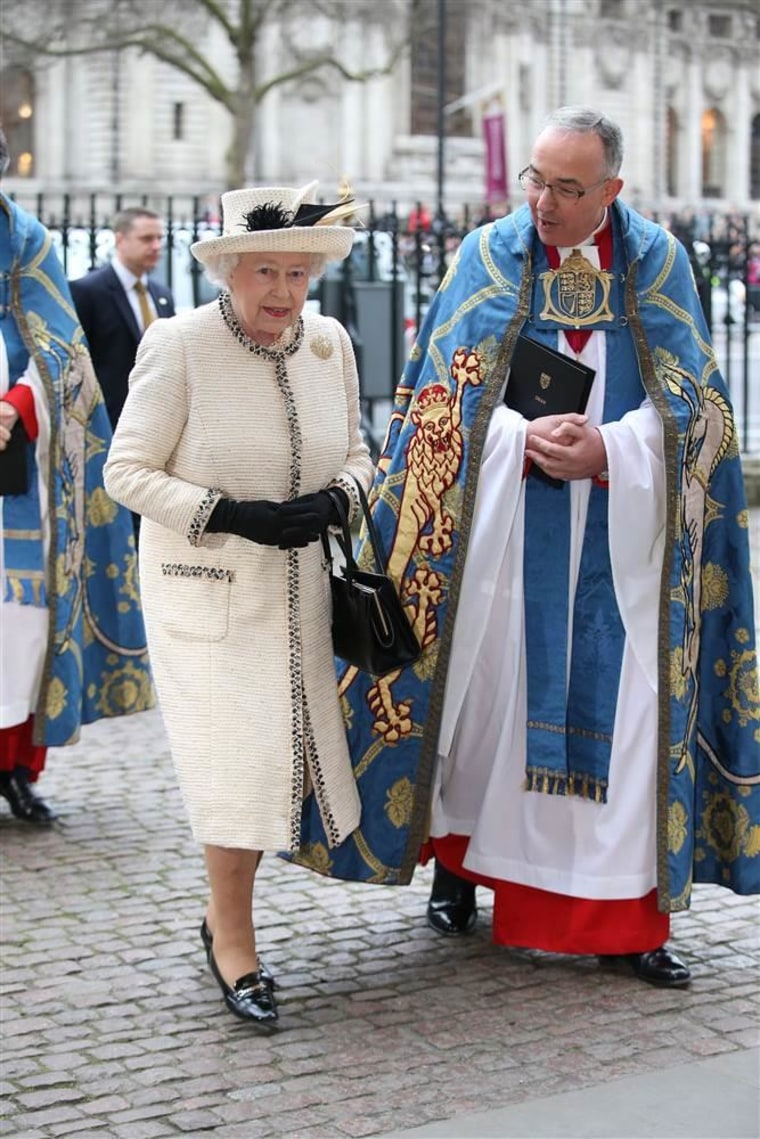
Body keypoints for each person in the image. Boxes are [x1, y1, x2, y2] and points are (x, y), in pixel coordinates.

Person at [287, 107, 760, 987]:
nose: (542, 202)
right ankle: (464, 871)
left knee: (630, 726)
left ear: (612, 192)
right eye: (535, 181)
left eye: (567, 189)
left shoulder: (659, 265)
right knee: (480, 710)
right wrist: (508, 436)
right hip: (497, 539)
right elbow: (433, 395)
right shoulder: (486, 255)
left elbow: (704, 414)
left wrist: (614, 452)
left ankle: (628, 918)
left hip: (624, 555)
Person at [103, 181, 373, 1028]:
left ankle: (222, 917)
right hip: (208, 597)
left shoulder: (328, 342)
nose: (283, 294)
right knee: (239, 766)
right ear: (228, 271)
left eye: (297, 275)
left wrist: (339, 501)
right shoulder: (179, 344)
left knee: (275, 770)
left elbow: (363, 454)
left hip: (300, 599)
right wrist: (228, 513)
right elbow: (126, 470)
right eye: (265, 272)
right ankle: (236, 943)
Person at [0, 130, 154, 826]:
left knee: (21, 630)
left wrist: (16, 405)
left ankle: (13, 768)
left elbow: (64, 354)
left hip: (18, 477)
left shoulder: (27, 241)